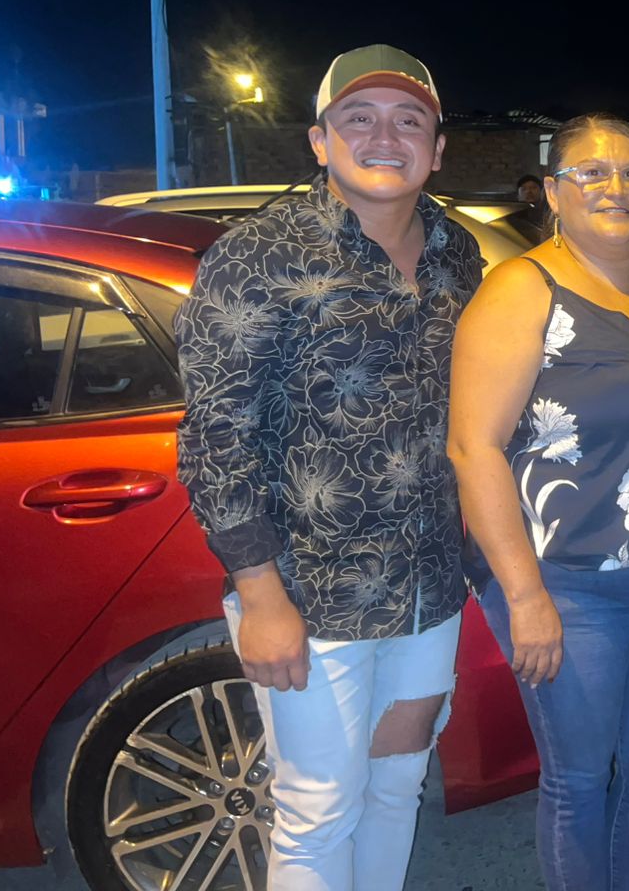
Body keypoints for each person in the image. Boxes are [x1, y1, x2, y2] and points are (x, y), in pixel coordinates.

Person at [175, 43, 483, 890]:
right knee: (317, 810)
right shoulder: (257, 254)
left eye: (409, 121)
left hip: (428, 589)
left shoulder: (459, 254)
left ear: (437, 148)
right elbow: (215, 438)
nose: (385, 137)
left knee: (396, 786)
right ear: (320, 140)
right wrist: (261, 595)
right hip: (310, 592)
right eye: (359, 118)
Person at [448, 114, 629, 891]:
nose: (617, 187)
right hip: (569, 585)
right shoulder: (521, 290)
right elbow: (473, 448)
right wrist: (525, 596)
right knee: (579, 779)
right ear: (552, 191)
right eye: (593, 173)